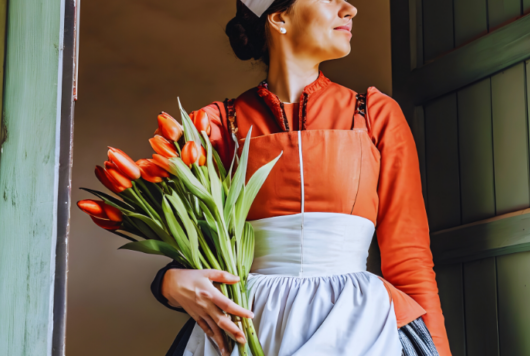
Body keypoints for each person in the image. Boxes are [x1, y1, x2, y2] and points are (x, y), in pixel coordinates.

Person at [150, 0, 450, 355]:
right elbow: (195, 251)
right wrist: (167, 283)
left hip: (362, 328)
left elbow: (410, 260)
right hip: (250, 329)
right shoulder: (214, 127)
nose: (350, 8)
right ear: (278, 18)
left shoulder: (375, 115)